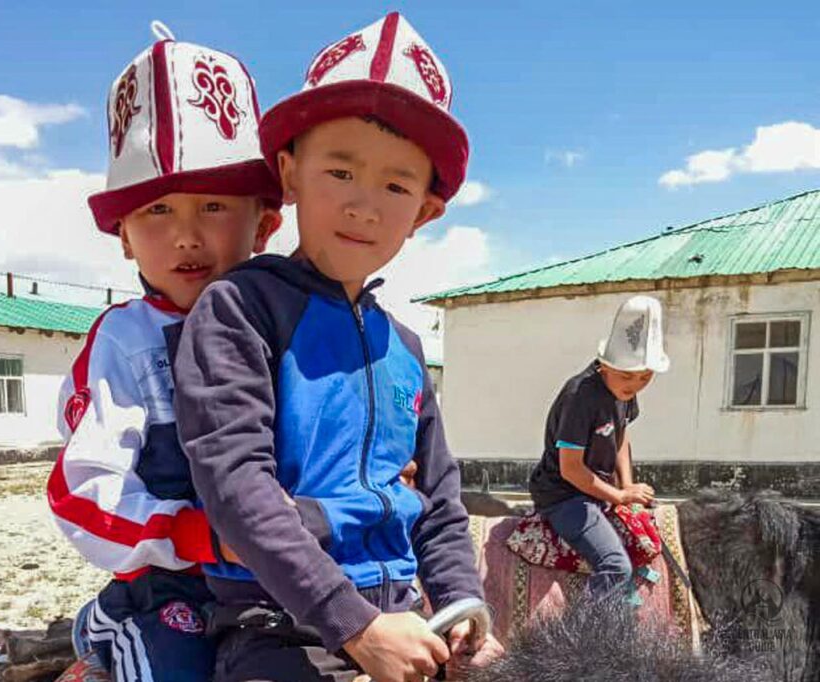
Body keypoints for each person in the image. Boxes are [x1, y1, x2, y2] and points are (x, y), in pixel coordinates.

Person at [171, 13, 504, 682]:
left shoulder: (404, 348)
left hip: (406, 616)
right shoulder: (240, 310)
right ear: (289, 173)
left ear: (425, 212)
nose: (363, 206)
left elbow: (439, 501)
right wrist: (353, 625)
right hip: (281, 622)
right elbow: (237, 484)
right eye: (340, 171)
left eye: (396, 186)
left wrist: (463, 602)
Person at [46, 26, 283, 681]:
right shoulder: (126, 342)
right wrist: (189, 534)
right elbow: (81, 490)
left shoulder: (292, 325)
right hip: (173, 582)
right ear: (124, 237)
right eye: (156, 211)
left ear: (264, 222)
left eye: (213, 205)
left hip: (285, 572)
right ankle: (108, 619)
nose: (185, 235)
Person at [528, 295, 670, 597]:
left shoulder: (623, 391)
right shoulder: (580, 396)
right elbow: (571, 469)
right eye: (627, 375)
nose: (635, 384)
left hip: (597, 490)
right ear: (605, 364)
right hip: (565, 495)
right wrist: (618, 496)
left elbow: (620, 435)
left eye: (646, 376)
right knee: (615, 567)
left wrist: (627, 485)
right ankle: (585, 626)